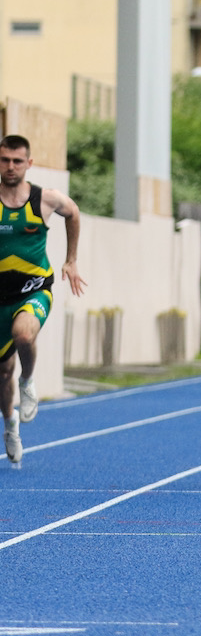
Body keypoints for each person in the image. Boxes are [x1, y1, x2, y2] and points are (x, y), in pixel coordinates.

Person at [0, 135, 86, 468]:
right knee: (2, 373)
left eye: (17, 161)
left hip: (34, 289)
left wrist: (71, 259)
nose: (10, 167)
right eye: (5, 160)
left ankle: (28, 381)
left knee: (24, 335)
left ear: (29, 164)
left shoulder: (44, 199)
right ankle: (10, 424)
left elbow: (73, 212)